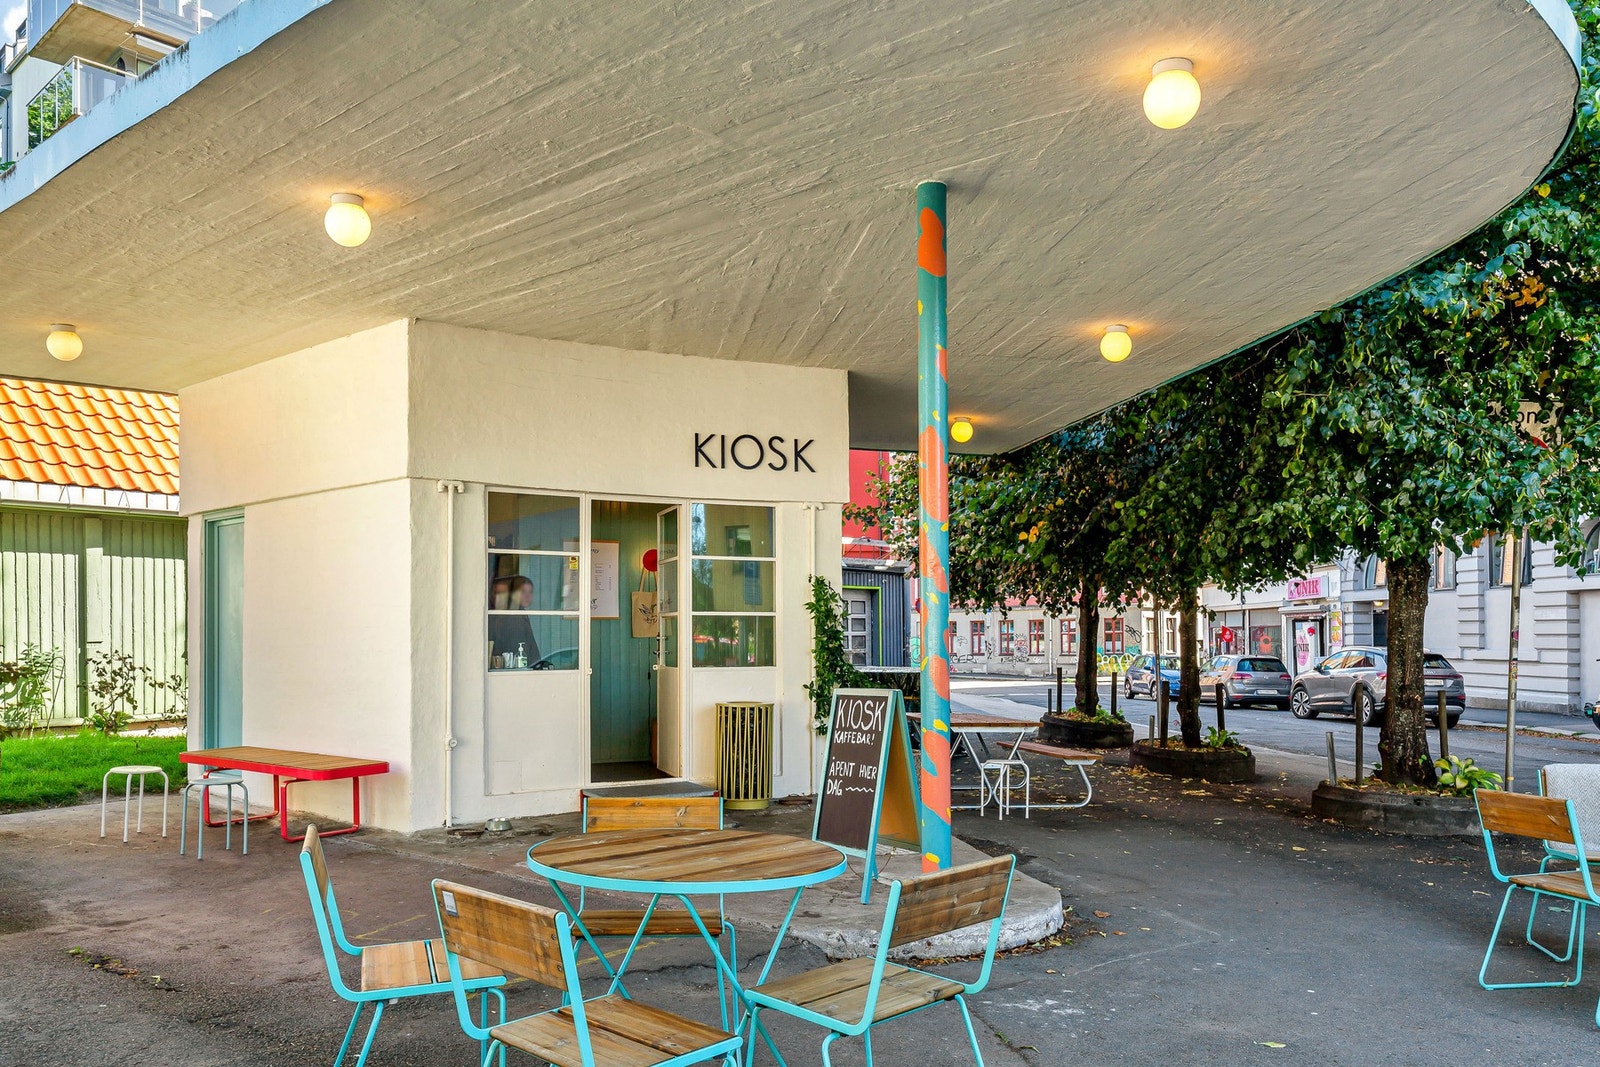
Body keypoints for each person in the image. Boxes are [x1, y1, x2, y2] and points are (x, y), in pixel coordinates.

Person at [489, 575, 541, 668]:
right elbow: (516, 648)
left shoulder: (520, 613)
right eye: (523, 591)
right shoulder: (511, 616)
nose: (527, 595)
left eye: (530, 592)